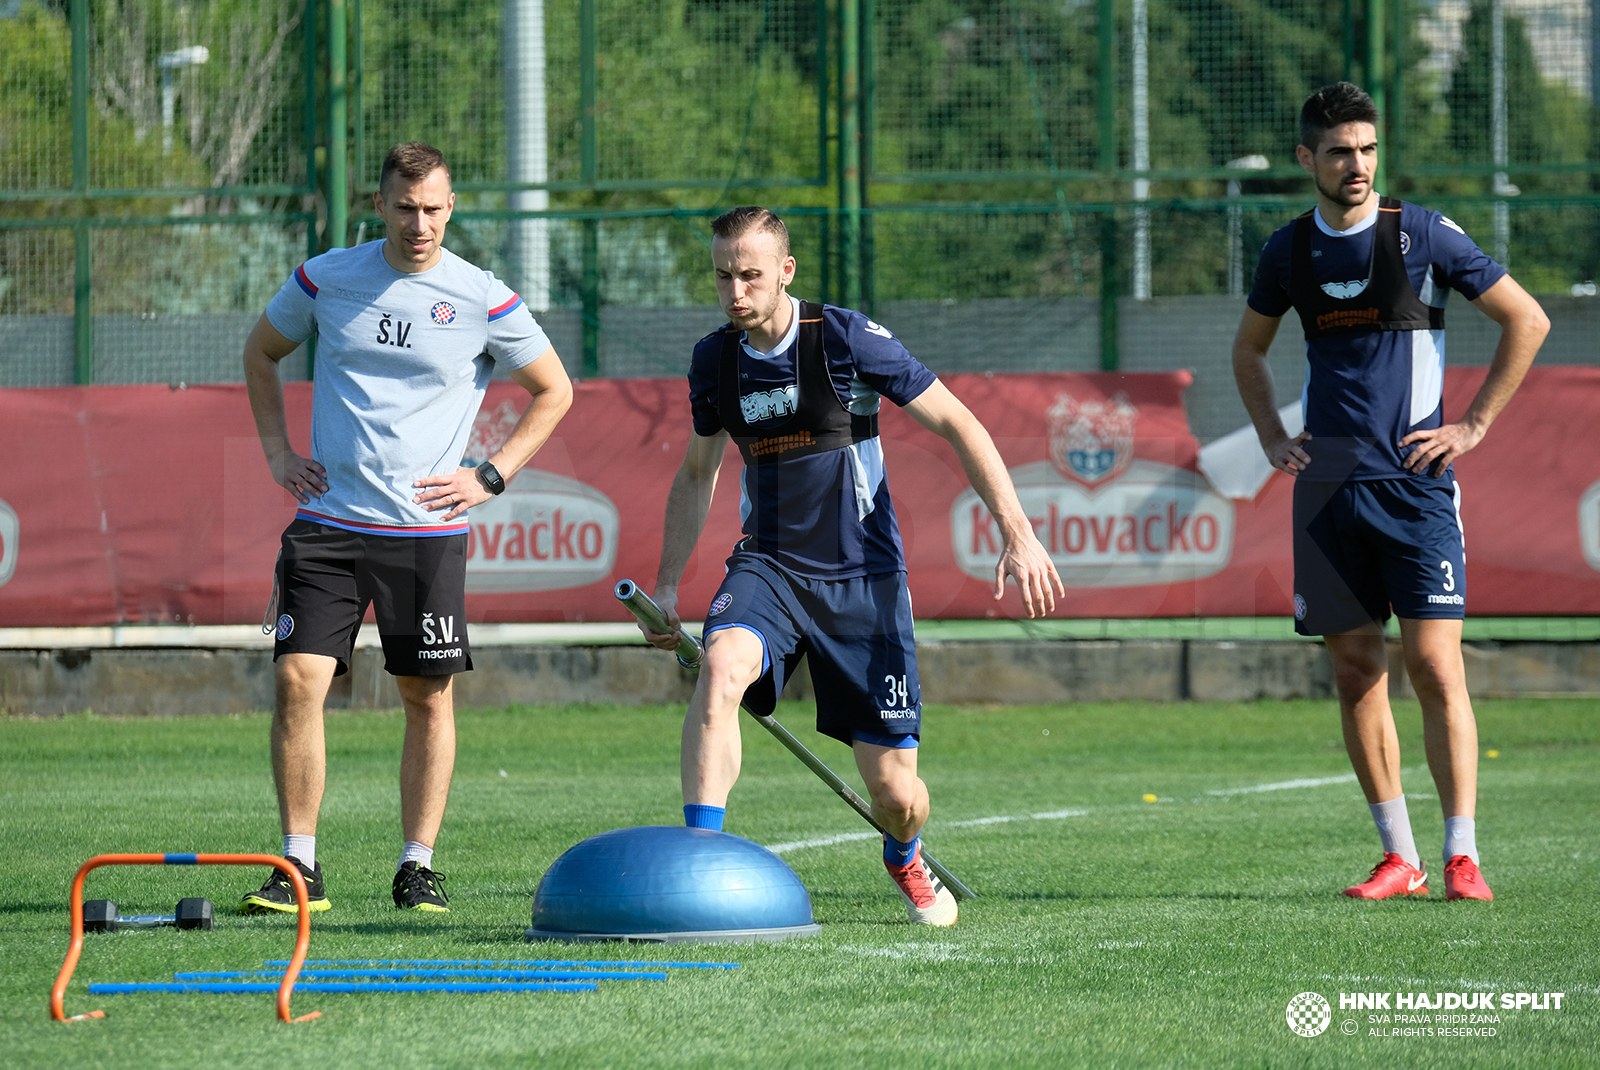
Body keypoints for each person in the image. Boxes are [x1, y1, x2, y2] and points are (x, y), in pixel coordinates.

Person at [639, 206, 1063, 926]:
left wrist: (1017, 532)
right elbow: (696, 472)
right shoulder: (715, 360)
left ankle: (905, 853)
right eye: (722, 276)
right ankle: (698, 857)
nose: (735, 291)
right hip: (767, 569)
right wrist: (669, 584)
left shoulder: (844, 337)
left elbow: (959, 421)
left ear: (785, 271)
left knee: (897, 796)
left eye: (749, 275)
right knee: (721, 669)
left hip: (863, 583)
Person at [1231, 83, 1548, 901]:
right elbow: (1250, 352)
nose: (1358, 164)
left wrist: (1472, 426)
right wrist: (1272, 435)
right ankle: (1399, 857)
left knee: (1438, 669)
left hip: (1416, 491)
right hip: (1328, 492)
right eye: (1340, 151)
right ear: (1308, 160)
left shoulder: (1423, 235)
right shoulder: (1287, 250)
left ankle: (1461, 855)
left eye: (1368, 149)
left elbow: (1528, 319)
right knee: (1354, 669)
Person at [239, 142, 572, 913]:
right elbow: (261, 352)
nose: (418, 223)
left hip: (425, 536)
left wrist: (489, 475)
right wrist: (277, 452)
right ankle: (299, 868)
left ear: (450, 209)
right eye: (404, 207)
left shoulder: (483, 296)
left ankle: (417, 866)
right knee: (297, 681)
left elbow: (553, 390)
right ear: (380, 206)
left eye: (432, 209)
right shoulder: (327, 276)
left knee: (425, 696)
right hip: (326, 525)